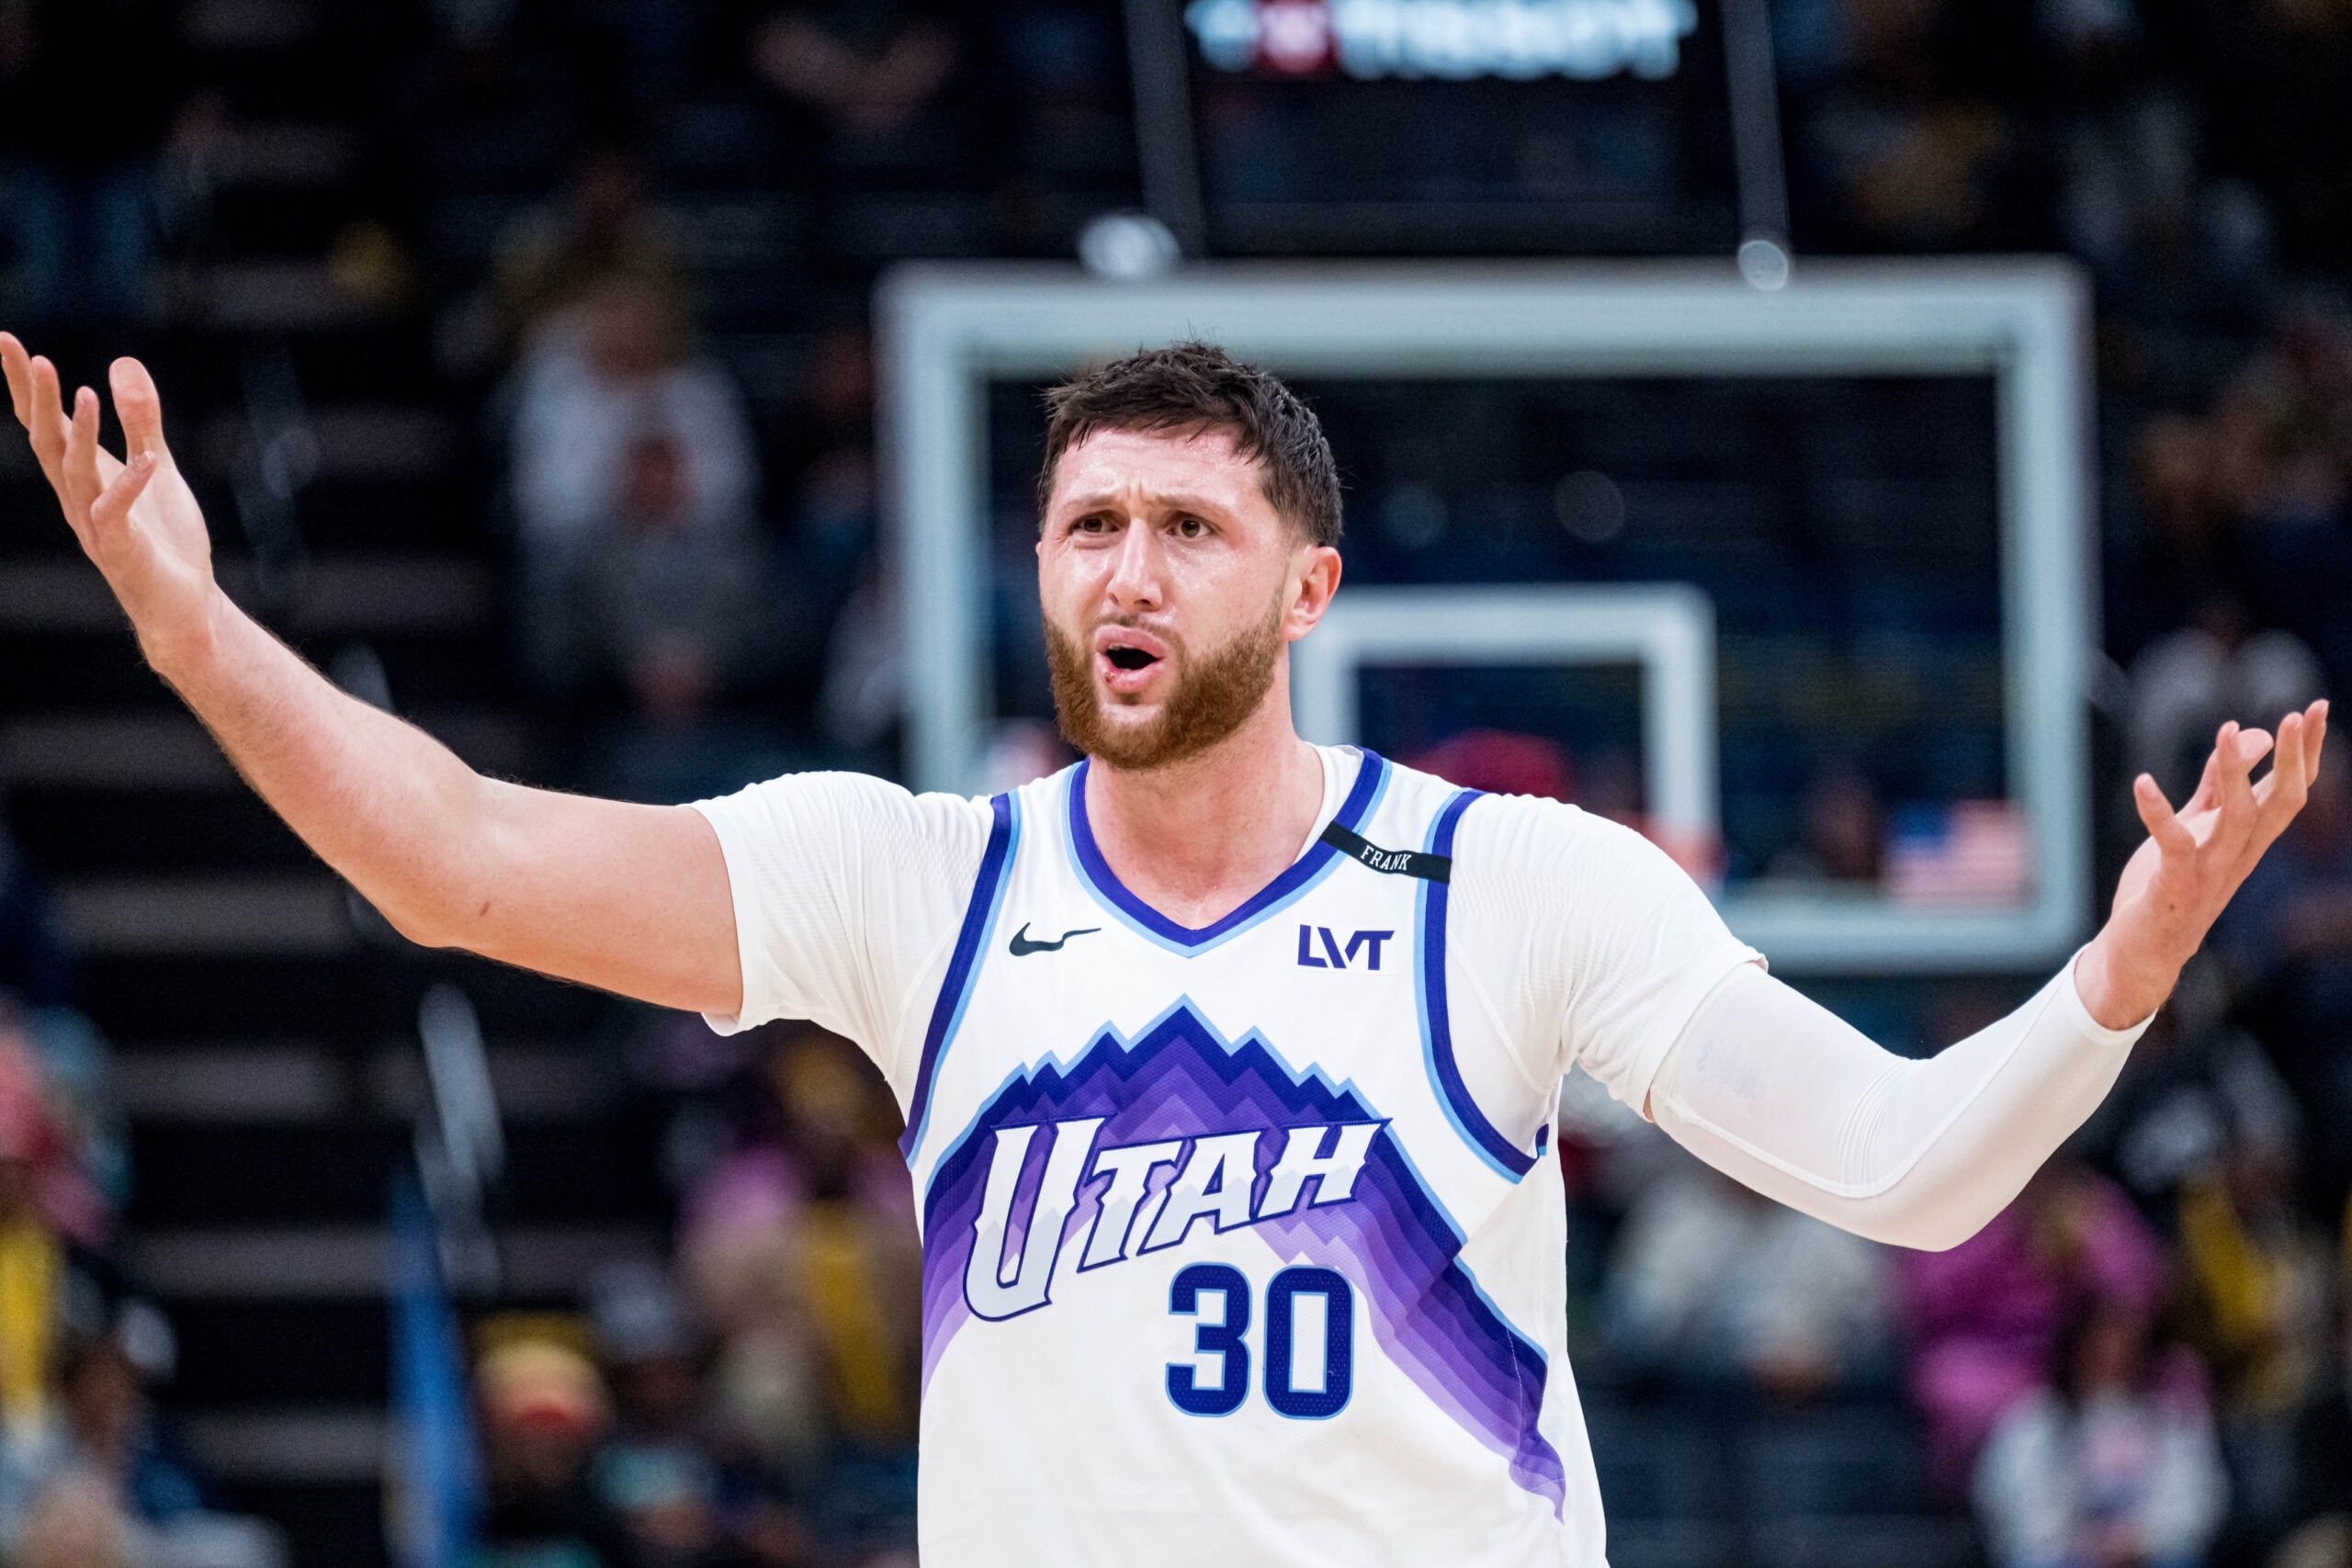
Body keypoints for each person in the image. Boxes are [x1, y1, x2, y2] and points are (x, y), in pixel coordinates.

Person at [0, 332, 2332, 1566]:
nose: (1125, 567)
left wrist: (2107, 976)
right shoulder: (920, 882)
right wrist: (199, 630)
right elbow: (461, 863)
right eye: (1086, 521)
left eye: (1187, 525)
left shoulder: (1510, 884)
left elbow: (1908, 1167)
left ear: (1304, 585)